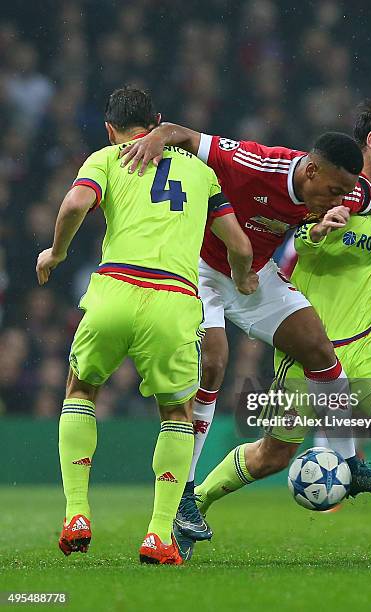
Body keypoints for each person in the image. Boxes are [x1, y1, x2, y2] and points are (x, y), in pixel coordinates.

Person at [194, 101, 371, 561]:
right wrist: (319, 230)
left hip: (363, 340)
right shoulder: (321, 190)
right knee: (273, 455)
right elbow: (294, 250)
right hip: (310, 347)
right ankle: (197, 499)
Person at [121, 125, 371, 542]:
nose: (338, 201)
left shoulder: (343, 188)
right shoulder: (254, 162)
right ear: (310, 171)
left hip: (254, 275)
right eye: (332, 192)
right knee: (214, 363)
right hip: (200, 270)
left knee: (319, 350)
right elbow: (182, 134)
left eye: (344, 194)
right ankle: (184, 492)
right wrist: (156, 138)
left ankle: (350, 464)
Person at [36, 86, 255, 566]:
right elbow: (238, 245)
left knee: (81, 389)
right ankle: (158, 535)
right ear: (156, 122)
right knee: (176, 415)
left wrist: (57, 252)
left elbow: (74, 206)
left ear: (110, 128)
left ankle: (76, 513)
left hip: (114, 290)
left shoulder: (106, 158)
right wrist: (241, 279)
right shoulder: (201, 173)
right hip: (173, 301)